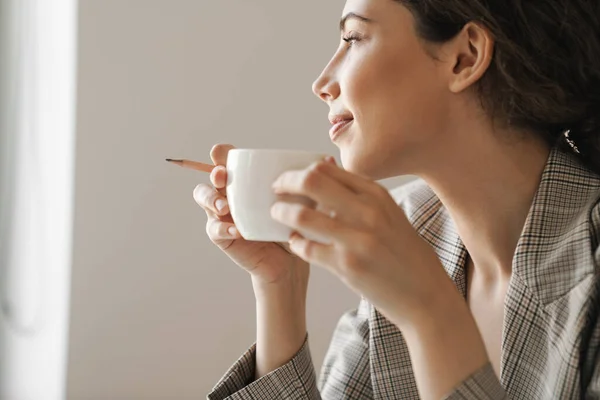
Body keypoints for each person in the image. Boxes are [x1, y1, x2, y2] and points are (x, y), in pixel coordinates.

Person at [194, 0, 600, 398]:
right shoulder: (405, 230)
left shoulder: (399, 253)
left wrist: (430, 313)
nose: (321, 84)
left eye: (353, 38)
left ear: (465, 57)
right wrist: (280, 285)